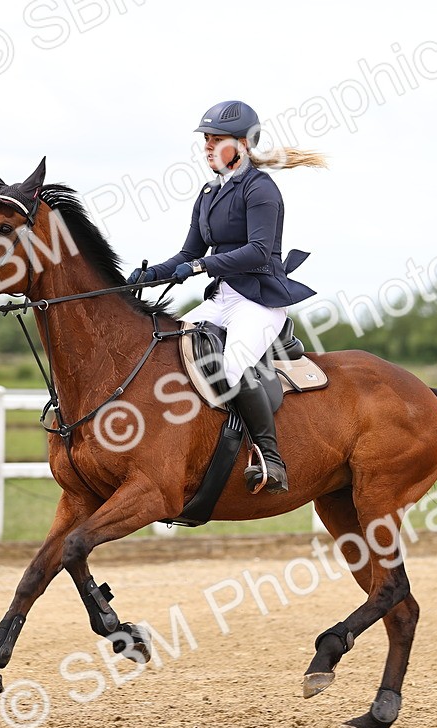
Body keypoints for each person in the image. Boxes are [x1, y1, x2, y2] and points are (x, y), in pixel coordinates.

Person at [129, 100, 326, 494]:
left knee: (229, 367)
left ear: (243, 143)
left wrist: (204, 267)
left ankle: (271, 459)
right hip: (221, 299)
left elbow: (257, 250)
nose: (207, 148)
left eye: (216, 140)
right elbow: (188, 253)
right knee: (170, 346)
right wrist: (151, 275)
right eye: (206, 140)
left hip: (258, 301)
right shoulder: (209, 192)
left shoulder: (261, 189)